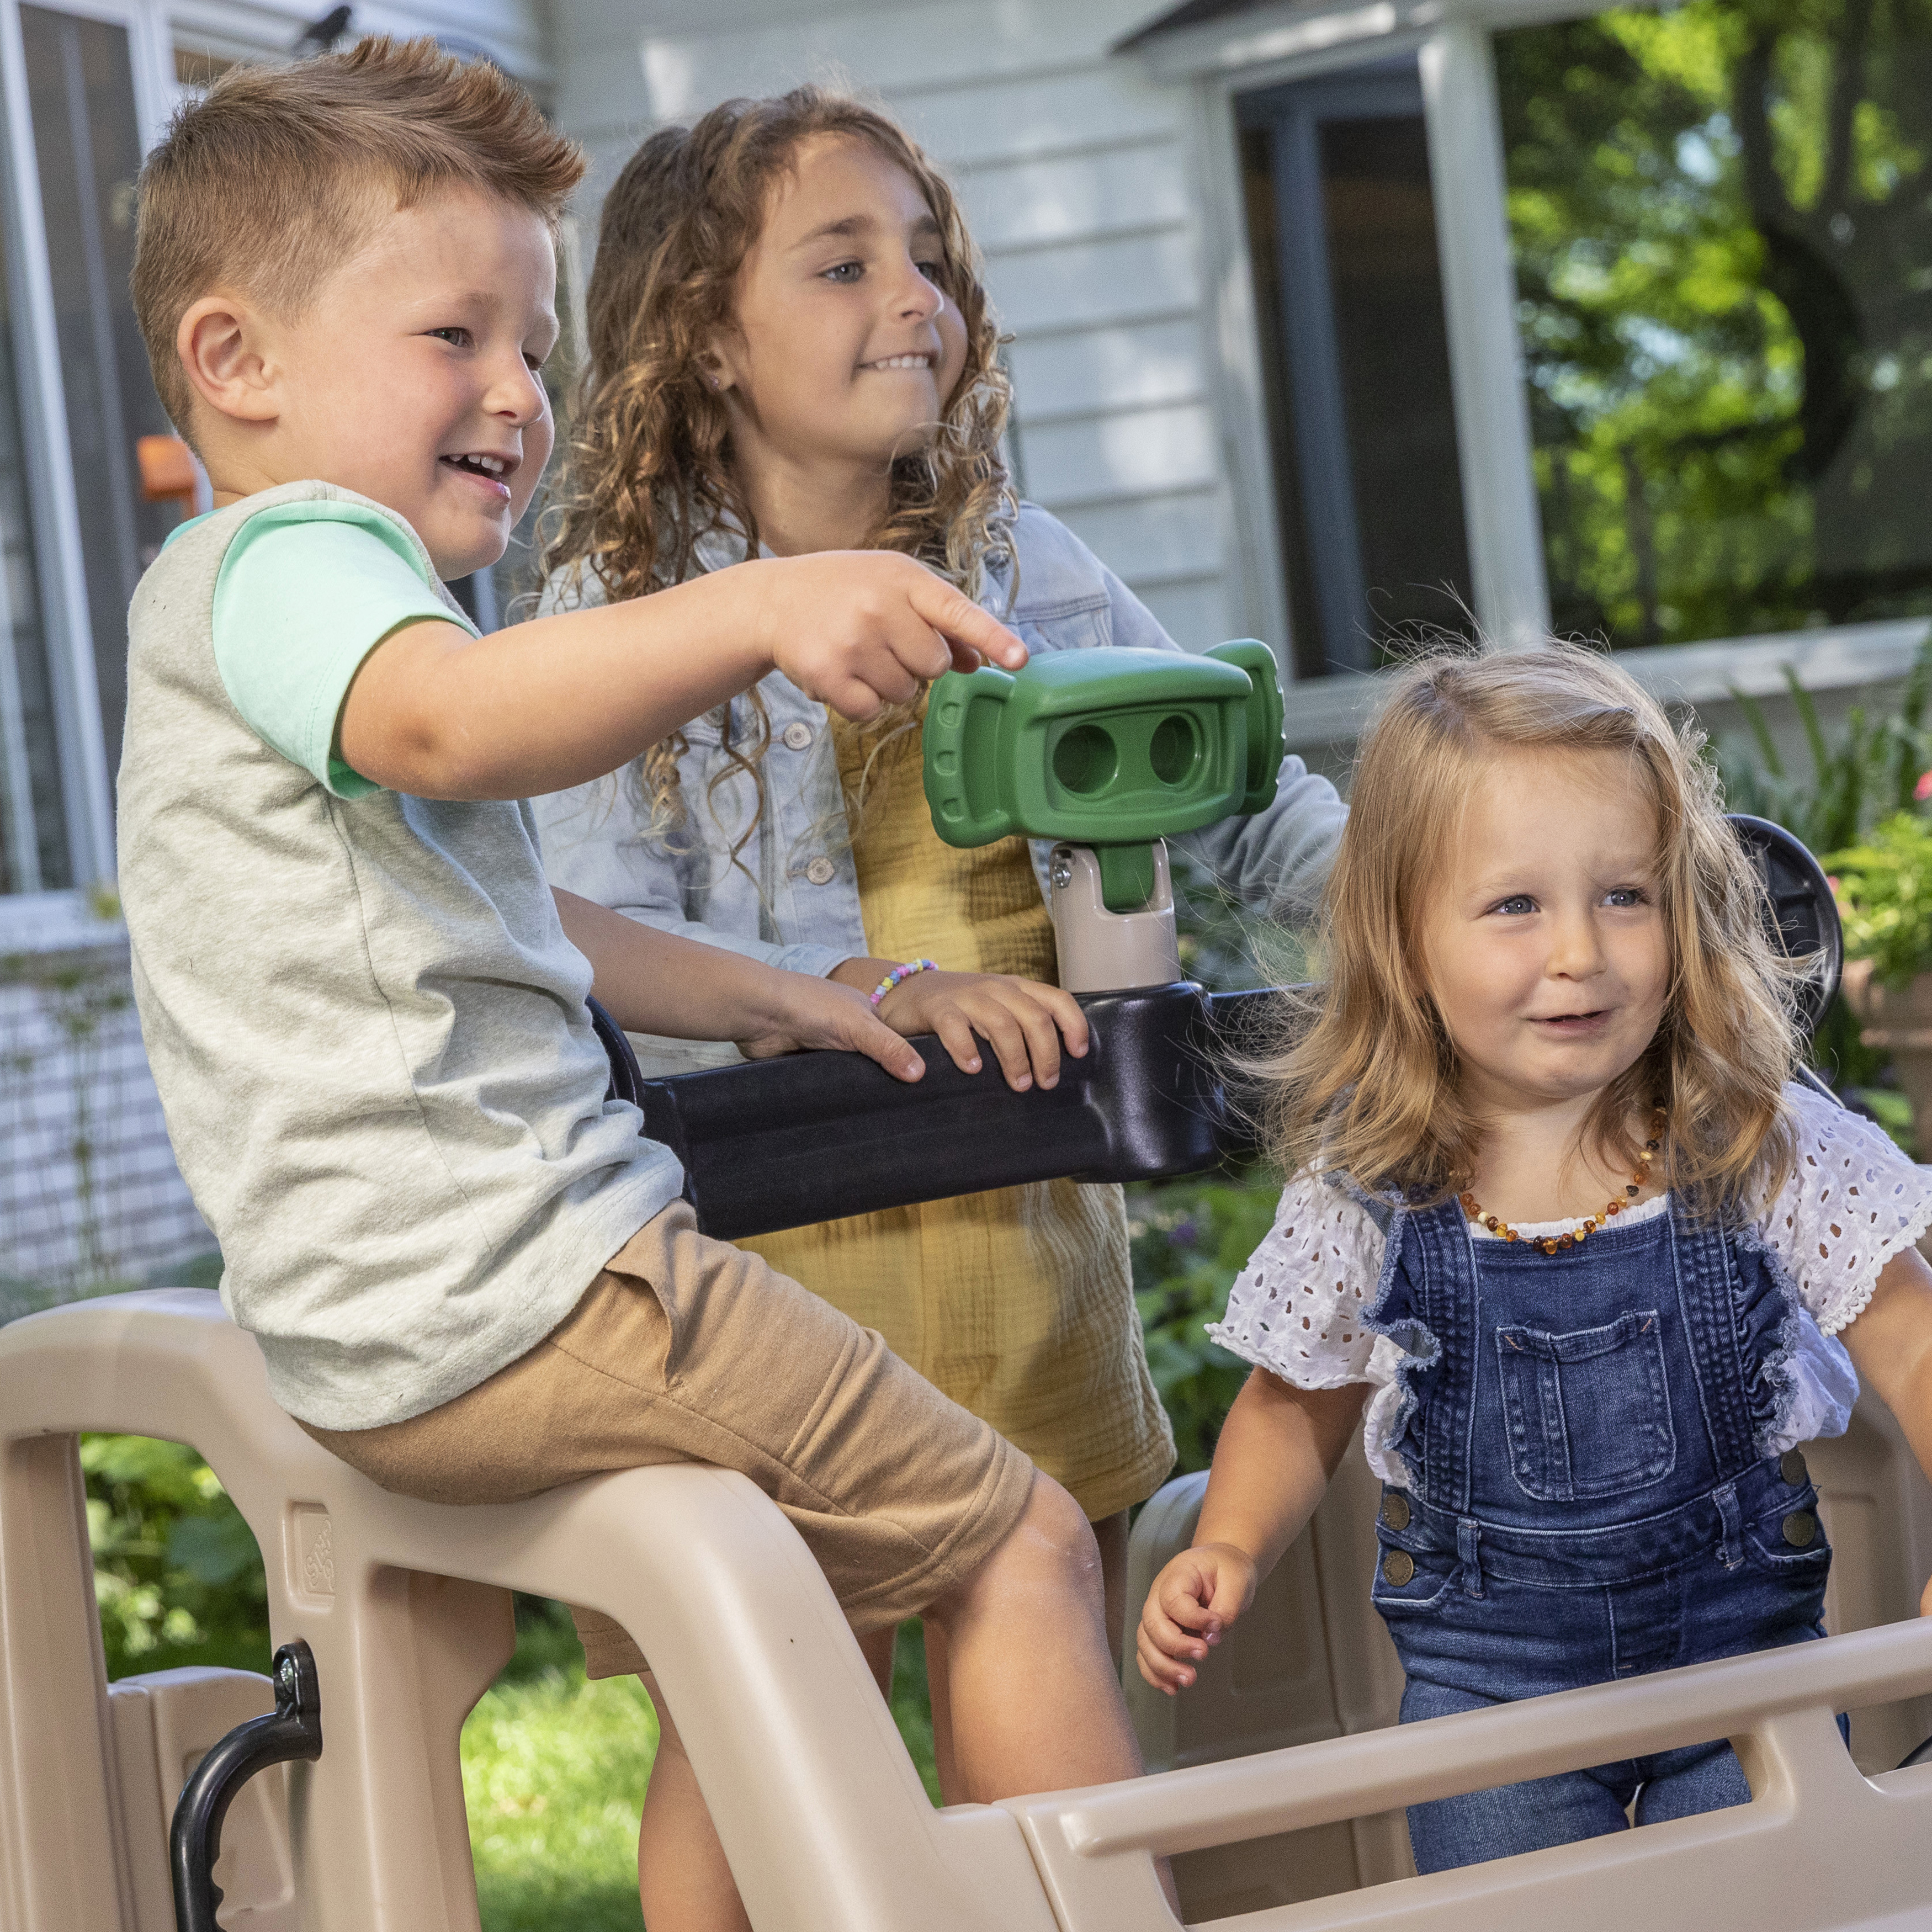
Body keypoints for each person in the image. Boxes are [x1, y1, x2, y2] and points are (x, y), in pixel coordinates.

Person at [119, 39, 1160, 1932]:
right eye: (454, 335)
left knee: (778, 1596)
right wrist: (756, 607)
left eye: (531, 345)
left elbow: (530, 913)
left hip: (402, 1311)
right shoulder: (299, 565)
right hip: (535, 1275)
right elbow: (454, 725)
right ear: (235, 361)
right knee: (1010, 1535)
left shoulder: (278, 610)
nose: (517, 392)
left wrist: (792, 998)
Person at [533, 89, 1348, 1712]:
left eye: (927, 258)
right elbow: (587, 938)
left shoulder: (1029, 572)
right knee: (775, 1711)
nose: (917, 298)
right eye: (843, 265)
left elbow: (1243, 795)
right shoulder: (621, 620)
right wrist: (876, 986)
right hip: (769, 1256)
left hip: (1021, 1234)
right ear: (706, 336)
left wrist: (1430, 918)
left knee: (1037, 1646)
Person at [1135, 642, 1932, 1872]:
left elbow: (1913, 1339)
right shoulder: (1371, 1188)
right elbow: (1298, 1398)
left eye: (1625, 896)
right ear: (1405, 941)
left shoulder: (1756, 1141)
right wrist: (1229, 1546)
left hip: (1746, 1670)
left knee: (1765, 1902)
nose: (1580, 953)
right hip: (1489, 1702)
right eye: (1516, 906)